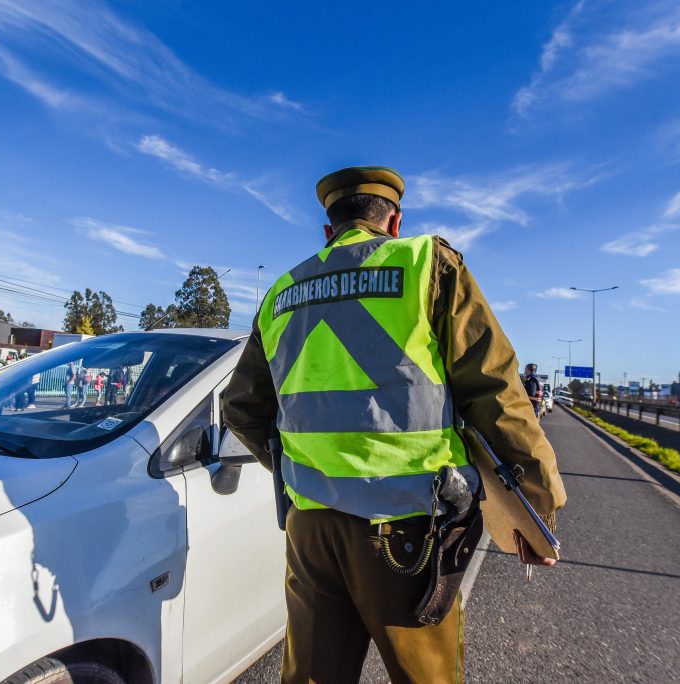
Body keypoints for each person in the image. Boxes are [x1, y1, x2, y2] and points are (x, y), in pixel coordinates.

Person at [222, 166, 567, 683]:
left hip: (311, 526)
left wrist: (301, 468)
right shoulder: (428, 264)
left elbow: (242, 408)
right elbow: (495, 393)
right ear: (394, 222)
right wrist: (537, 508)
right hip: (410, 530)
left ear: (327, 231)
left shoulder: (281, 292)